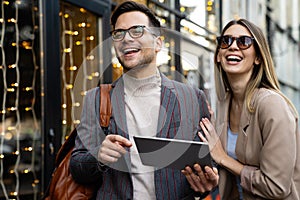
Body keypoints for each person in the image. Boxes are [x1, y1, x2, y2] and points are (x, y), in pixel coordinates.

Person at [69, 1, 219, 200]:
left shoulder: (192, 98)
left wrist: (206, 184)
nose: (126, 39)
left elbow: (207, 163)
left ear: (158, 43)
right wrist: (99, 156)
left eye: (137, 30)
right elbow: (77, 167)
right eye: (118, 33)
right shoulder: (96, 99)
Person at [197, 18, 300, 199]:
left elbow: (277, 187)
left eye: (244, 42)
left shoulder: (271, 105)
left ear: (258, 57)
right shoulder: (222, 105)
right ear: (218, 56)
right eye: (225, 41)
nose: (233, 46)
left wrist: (223, 158)